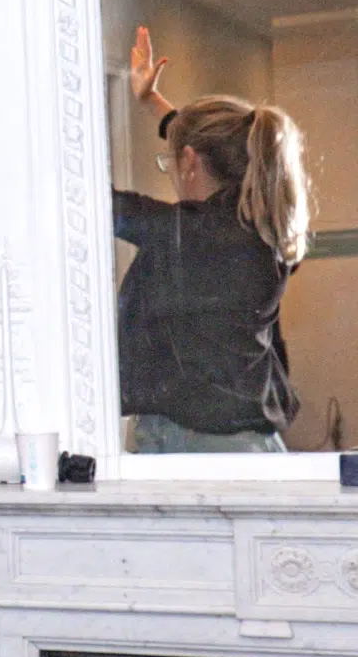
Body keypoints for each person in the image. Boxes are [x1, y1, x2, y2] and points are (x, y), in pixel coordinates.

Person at [115, 26, 311, 453]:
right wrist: (155, 104)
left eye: (172, 162)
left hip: (203, 447)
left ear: (189, 162)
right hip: (245, 440)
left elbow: (99, 202)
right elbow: (215, 145)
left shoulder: (192, 234)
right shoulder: (263, 229)